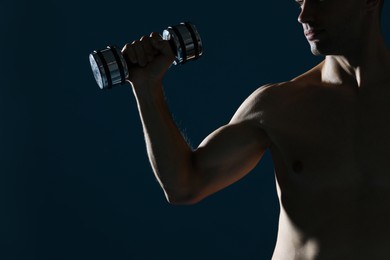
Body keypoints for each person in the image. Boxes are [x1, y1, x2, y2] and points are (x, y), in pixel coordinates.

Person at [121, 0, 390, 258]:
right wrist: (147, 88)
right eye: (299, 2)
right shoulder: (279, 106)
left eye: (320, 0)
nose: (304, 16)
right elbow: (184, 185)